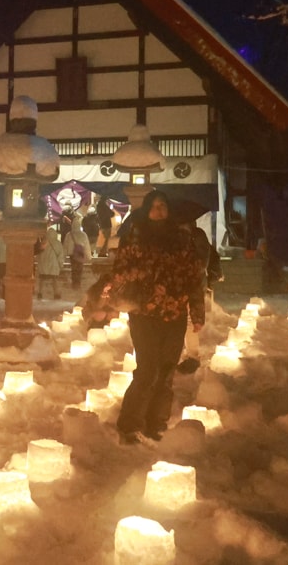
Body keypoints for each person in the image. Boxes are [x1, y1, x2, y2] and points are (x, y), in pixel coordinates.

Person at [101, 190, 205, 444]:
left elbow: (194, 277)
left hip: (174, 313)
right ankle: (130, 424)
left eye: (163, 205)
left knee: (167, 371)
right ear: (146, 210)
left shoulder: (182, 239)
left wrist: (197, 310)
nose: (159, 210)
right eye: (154, 206)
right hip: (145, 313)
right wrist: (140, 272)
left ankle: (156, 423)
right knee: (147, 370)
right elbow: (120, 271)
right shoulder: (135, 236)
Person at [62, 214, 92, 289]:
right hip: (81, 254)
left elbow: (65, 246)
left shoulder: (69, 235)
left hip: (72, 255)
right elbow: (87, 246)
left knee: (74, 269)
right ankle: (78, 283)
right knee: (79, 269)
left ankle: (74, 283)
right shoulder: (83, 235)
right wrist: (89, 256)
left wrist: (63, 256)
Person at [35, 226, 63, 300]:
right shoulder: (58, 244)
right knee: (55, 280)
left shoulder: (43, 243)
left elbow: (38, 254)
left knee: (42, 280)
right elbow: (60, 255)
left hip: (43, 266)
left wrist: (39, 263)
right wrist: (60, 265)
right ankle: (56, 294)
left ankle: (40, 293)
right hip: (54, 266)